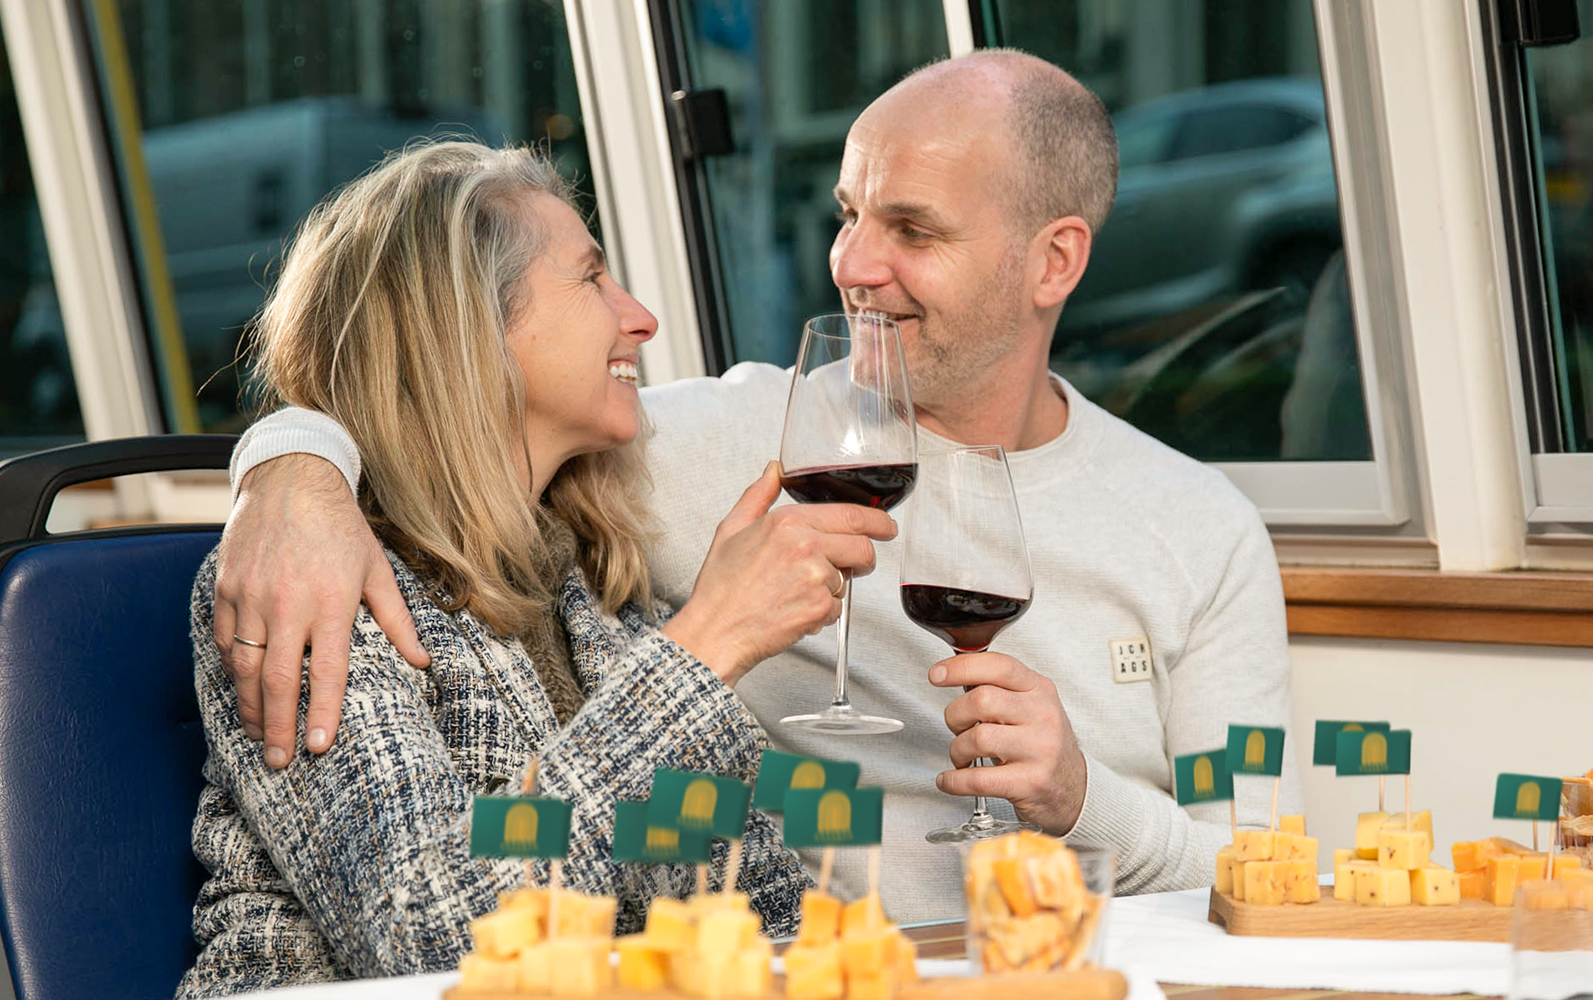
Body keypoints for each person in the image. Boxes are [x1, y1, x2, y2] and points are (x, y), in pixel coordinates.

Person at [217, 50, 1303, 923]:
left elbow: (1270, 877)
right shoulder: (666, 453)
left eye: (913, 229)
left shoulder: (1199, 529)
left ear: (1053, 262)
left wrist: (1083, 802)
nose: (851, 262)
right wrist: (292, 463)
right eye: (847, 213)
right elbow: (407, 394)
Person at [177, 140, 900, 996]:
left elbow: (762, 908)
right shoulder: (312, 585)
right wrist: (703, 650)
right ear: (467, 326)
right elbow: (428, 936)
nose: (641, 318)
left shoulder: (590, 585)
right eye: (592, 279)